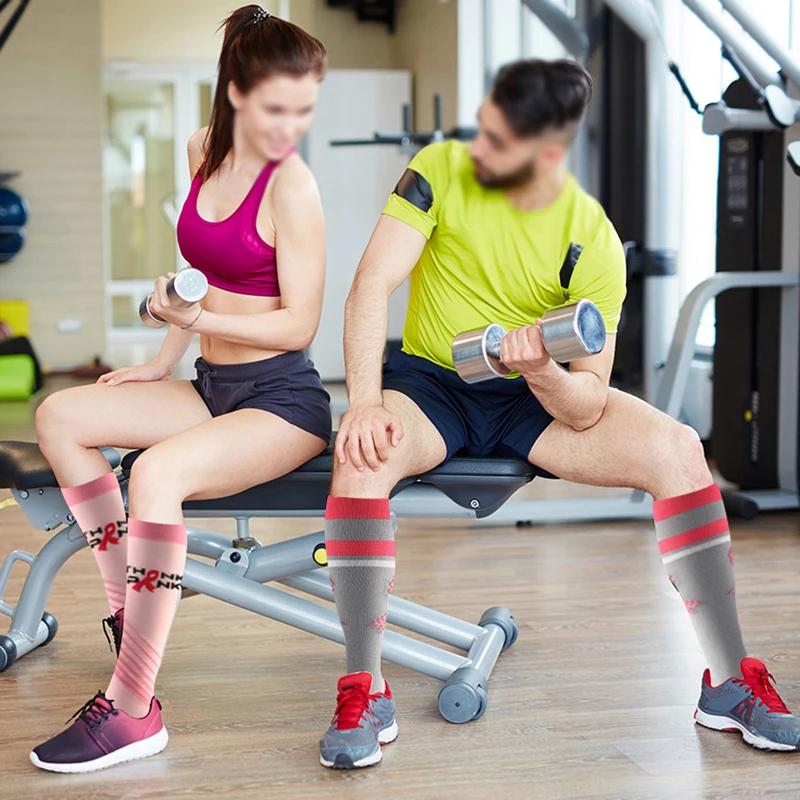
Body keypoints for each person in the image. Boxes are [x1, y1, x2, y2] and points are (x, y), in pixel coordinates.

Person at [318, 58, 800, 769]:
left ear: (549, 152)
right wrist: (361, 404)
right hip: (432, 386)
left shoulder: (592, 239)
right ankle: (367, 687)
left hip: (532, 399)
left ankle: (727, 683)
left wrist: (541, 365)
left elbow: (588, 403)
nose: (479, 152)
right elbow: (370, 285)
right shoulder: (439, 169)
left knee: (677, 450)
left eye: (499, 142)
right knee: (359, 456)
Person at [30, 5, 331, 773]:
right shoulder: (203, 150)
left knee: (156, 474)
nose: (292, 123)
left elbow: (299, 327)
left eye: (304, 105)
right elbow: (202, 279)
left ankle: (133, 710)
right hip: (208, 384)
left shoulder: (292, 185)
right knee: (61, 413)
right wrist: (165, 352)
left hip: (282, 403)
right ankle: (129, 616)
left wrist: (202, 315)